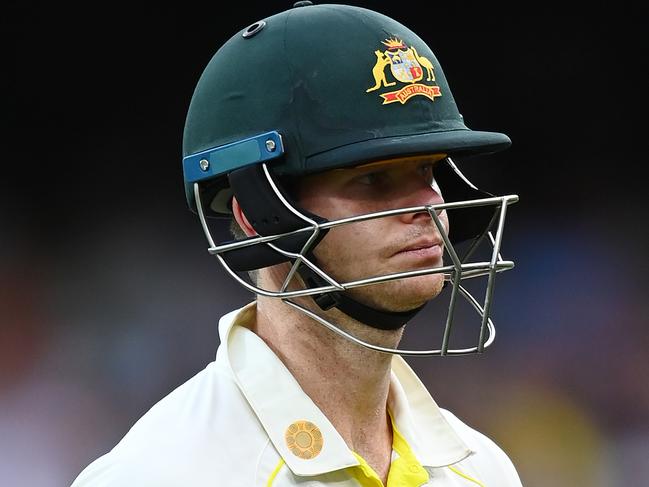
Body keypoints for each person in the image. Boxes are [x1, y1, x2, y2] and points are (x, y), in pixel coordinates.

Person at [71, 1, 522, 486]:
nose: (427, 205)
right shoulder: (158, 475)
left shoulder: (482, 469)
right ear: (256, 216)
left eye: (426, 170)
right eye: (373, 180)